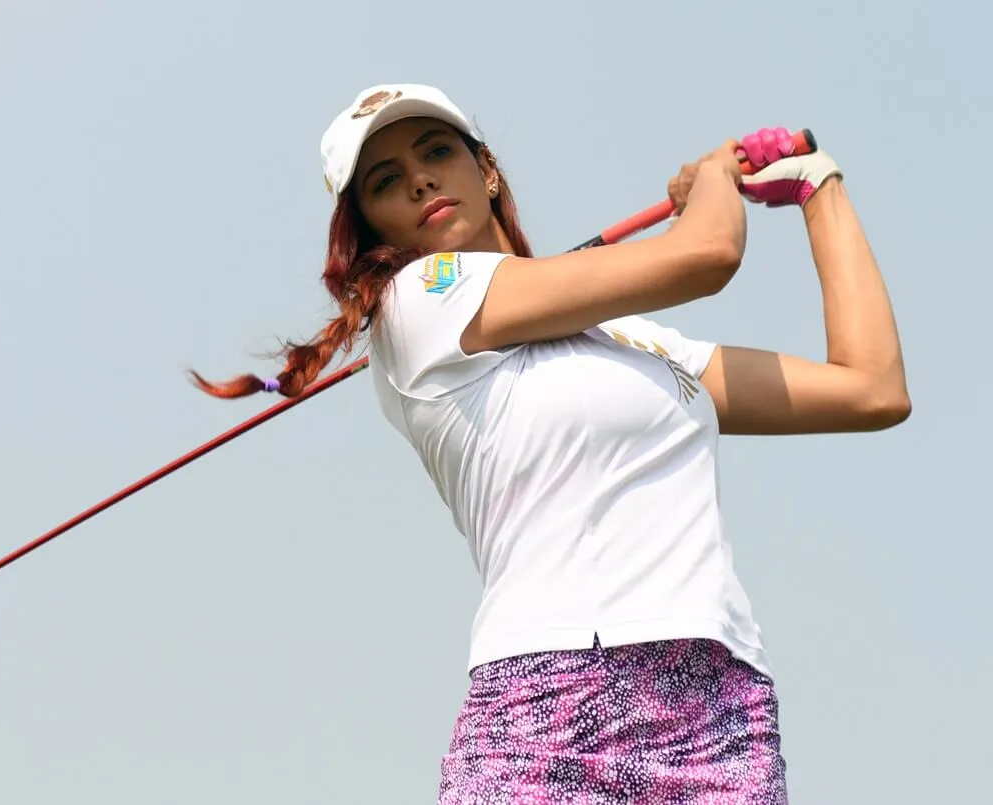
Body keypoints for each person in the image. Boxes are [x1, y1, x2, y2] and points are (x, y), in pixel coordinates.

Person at [191, 84, 910, 803]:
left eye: (437, 151)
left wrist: (819, 187)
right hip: (548, 703)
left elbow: (870, 387)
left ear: (488, 170)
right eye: (385, 180)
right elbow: (709, 253)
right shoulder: (420, 299)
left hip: (721, 709)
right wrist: (715, 177)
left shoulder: (638, 345)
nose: (418, 177)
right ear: (374, 225)